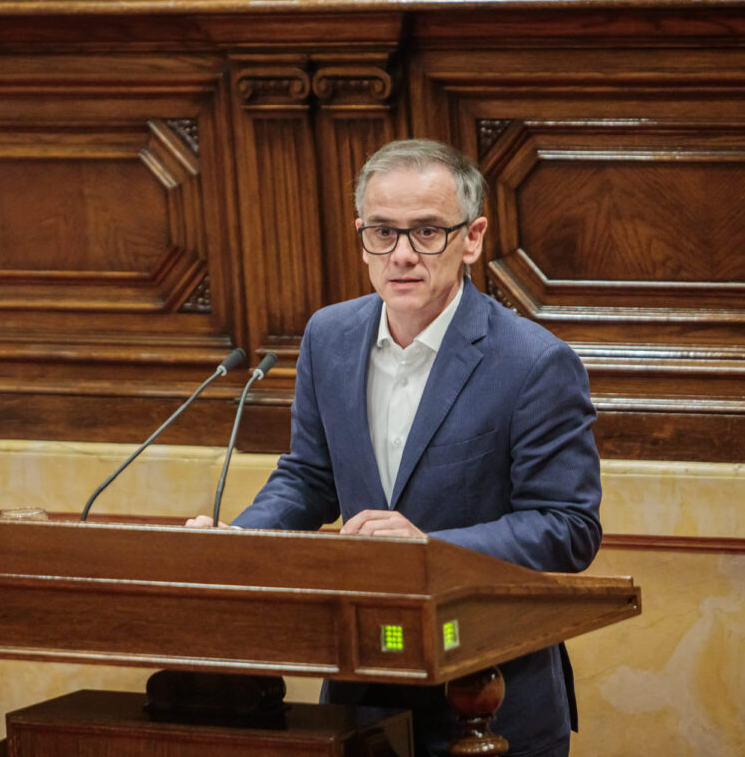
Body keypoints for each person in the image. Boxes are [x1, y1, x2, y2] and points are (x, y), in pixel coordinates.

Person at [187, 139, 602, 757]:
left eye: (428, 231)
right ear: (361, 235)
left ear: (473, 237)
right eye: (382, 232)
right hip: (363, 689)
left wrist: (427, 549)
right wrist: (242, 544)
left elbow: (568, 528)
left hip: (489, 697)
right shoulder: (329, 336)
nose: (402, 255)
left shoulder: (534, 363)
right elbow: (309, 478)